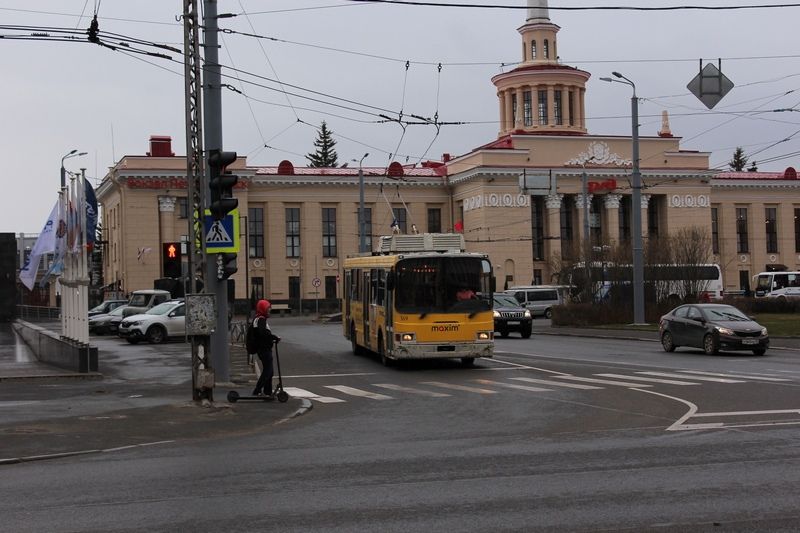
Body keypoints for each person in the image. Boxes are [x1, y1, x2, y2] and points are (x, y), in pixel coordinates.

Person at [251, 299, 281, 397]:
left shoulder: (259, 319)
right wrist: (274, 337)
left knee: (270, 371)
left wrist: (272, 338)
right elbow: (263, 333)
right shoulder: (261, 319)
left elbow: (263, 334)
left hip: (263, 349)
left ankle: (267, 391)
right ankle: (257, 390)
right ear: (262, 309)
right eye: (268, 308)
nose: (269, 310)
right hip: (263, 349)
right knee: (268, 371)